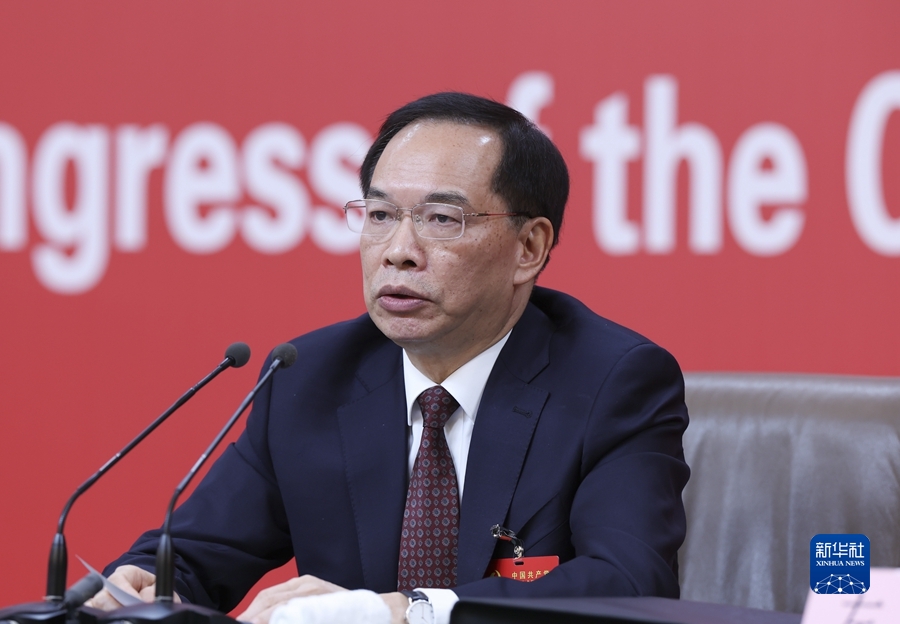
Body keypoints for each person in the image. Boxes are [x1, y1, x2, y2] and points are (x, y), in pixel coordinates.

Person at [90, 92, 690, 624]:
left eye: (441, 219)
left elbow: (630, 584)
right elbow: (192, 558)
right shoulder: (309, 379)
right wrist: (142, 587)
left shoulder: (612, 382)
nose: (398, 251)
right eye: (379, 215)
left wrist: (406, 613)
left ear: (529, 247)